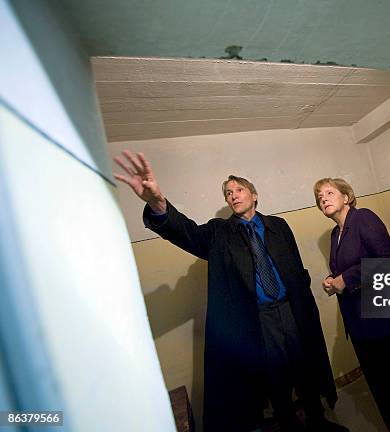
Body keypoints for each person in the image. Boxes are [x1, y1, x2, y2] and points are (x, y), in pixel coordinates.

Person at [113, 150, 348, 432]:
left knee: (305, 368)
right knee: (276, 378)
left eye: (239, 189)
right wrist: (158, 203)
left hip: (292, 310)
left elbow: (296, 269)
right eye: (227, 193)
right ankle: (288, 424)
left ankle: (317, 419)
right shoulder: (219, 233)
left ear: (254, 195)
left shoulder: (279, 225)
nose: (233, 195)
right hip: (258, 319)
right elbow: (187, 233)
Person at [313, 177, 390, 432]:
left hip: (386, 319)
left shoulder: (363, 217)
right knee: (380, 390)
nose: (323, 198)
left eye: (329, 192)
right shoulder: (336, 234)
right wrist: (334, 281)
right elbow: (348, 271)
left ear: (346, 196)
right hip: (359, 325)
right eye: (319, 196)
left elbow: (388, 261)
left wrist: (347, 278)